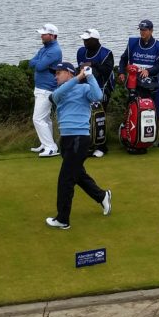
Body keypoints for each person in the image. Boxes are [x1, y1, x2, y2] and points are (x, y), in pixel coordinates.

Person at [45, 62, 112, 230]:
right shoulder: (59, 92)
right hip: (66, 139)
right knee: (78, 174)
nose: (56, 76)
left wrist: (89, 76)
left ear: (69, 73)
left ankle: (63, 219)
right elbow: (54, 97)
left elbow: (97, 96)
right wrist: (78, 78)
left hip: (79, 138)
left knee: (65, 180)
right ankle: (102, 196)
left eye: (59, 73)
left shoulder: (84, 90)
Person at [76, 28, 115, 157]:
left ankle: (102, 146)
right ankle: (89, 144)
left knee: (99, 118)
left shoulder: (106, 53)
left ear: (95, 40)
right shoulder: (81, 52)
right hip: (85, 89)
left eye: (87, 40)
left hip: (102, 89)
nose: (84, 42)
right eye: (84, 39)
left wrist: (94, 64)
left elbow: (107, 71)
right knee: (86, 118)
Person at [28, 23, 62, 157]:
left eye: (44, 34)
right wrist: (38, 62)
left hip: (47, 88)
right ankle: (46, 143)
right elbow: (32, 62)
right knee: (45, 119)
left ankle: (51, 147)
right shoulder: (44, 49)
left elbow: (39, 66)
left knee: (37, 118)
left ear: (52, 36)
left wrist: (39, 62)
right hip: (40, 87)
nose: (41, 36)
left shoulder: (54, 50)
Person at [117, 19, 159, 100]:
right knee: (131, 105)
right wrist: (121, 72)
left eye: (145, 30)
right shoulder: (132, 43)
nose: (142, 32)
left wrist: (148, 71)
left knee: (148, 106)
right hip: (133, 80)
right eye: (141, 29)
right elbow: (123, 59)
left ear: (151, 31)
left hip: (150, 82)